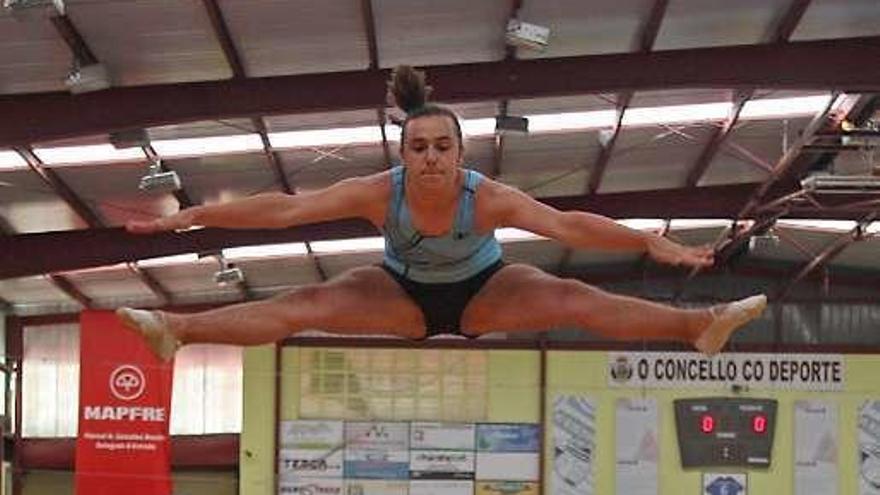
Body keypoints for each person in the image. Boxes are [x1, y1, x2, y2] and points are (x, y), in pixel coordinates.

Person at [117, 65, 766, 362]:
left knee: (570, 292)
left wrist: (647, 240)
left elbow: (568, 225)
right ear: (402, 153)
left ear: (461, 153)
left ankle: (695, 326)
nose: (430, 158)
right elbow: (286, 211)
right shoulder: (380, 190)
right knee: (307, 302)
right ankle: (179, 327)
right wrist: (191, 217)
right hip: (398, 294)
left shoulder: (486, 197)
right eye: (418, 147)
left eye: (442, 148)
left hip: (487, 290)